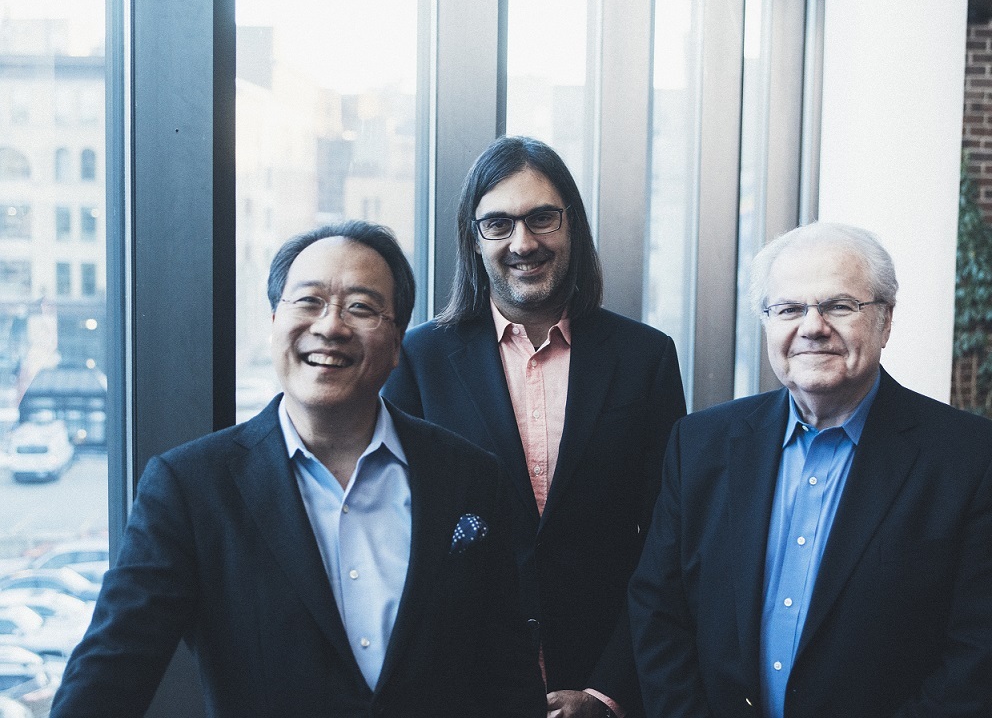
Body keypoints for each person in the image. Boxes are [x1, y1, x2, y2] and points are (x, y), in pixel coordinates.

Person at [51, 221, 545, 718]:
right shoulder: (191, 489)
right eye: (308, 301)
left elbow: (509, 680)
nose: (330, 326)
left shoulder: (471, 479)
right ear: (272, 323)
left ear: (397, 344)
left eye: (360, 307)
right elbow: (108, 676)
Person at [629, 221, 992, 717]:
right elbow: (658, 612)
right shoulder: (698, 446)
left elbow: (976, 655)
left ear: (885, 321)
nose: (813, 326)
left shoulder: (969, 459)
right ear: (768, 324)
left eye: (839, 306)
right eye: (789, 309)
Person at [383, 136, 686, 718]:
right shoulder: (419, 360)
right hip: (463, 686)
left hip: (606, 680)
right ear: (474, 240)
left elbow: (669, 539)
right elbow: (402, 541)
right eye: (498, 223)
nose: (524, 242)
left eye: (542, 218)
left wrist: (607, 690)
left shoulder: (645, 358)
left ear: (572, 226)